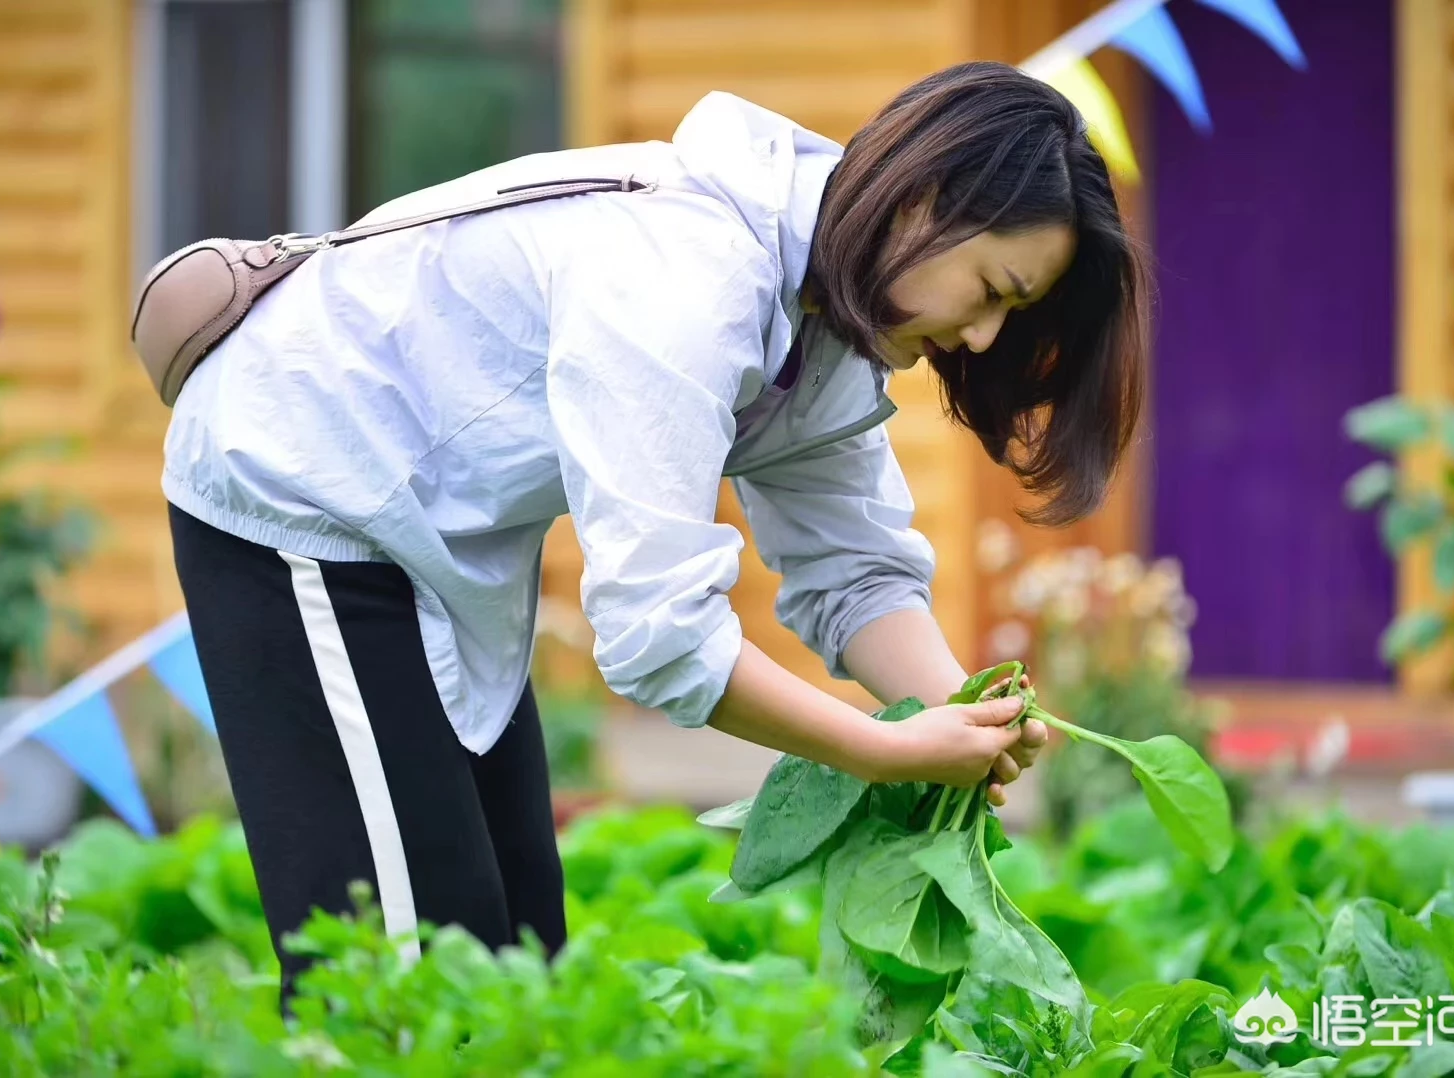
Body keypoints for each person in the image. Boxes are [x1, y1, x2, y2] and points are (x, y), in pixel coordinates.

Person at [162, 60, 1146, 1001]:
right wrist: (879, 749)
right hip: (297, 480)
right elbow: (658, 634)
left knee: (511, 948)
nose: (979, 341)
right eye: (991, 293)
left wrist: (960, 718)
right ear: (924, 202)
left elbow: (853, 571)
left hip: (437, 538)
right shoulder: (686, 277)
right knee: (398, 965)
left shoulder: (834, 322)